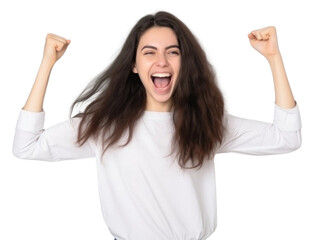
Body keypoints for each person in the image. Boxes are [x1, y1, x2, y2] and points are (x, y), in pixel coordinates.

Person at [13, 11, 301, 240]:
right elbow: (27, 145)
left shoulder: (207, 122)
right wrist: (47, 63)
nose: (161, 61)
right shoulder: (105, 125)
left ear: (185, 62)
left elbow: (286, 137)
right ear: (134, 65)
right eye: (149, 52)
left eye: (173, 52)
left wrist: (274, 58)